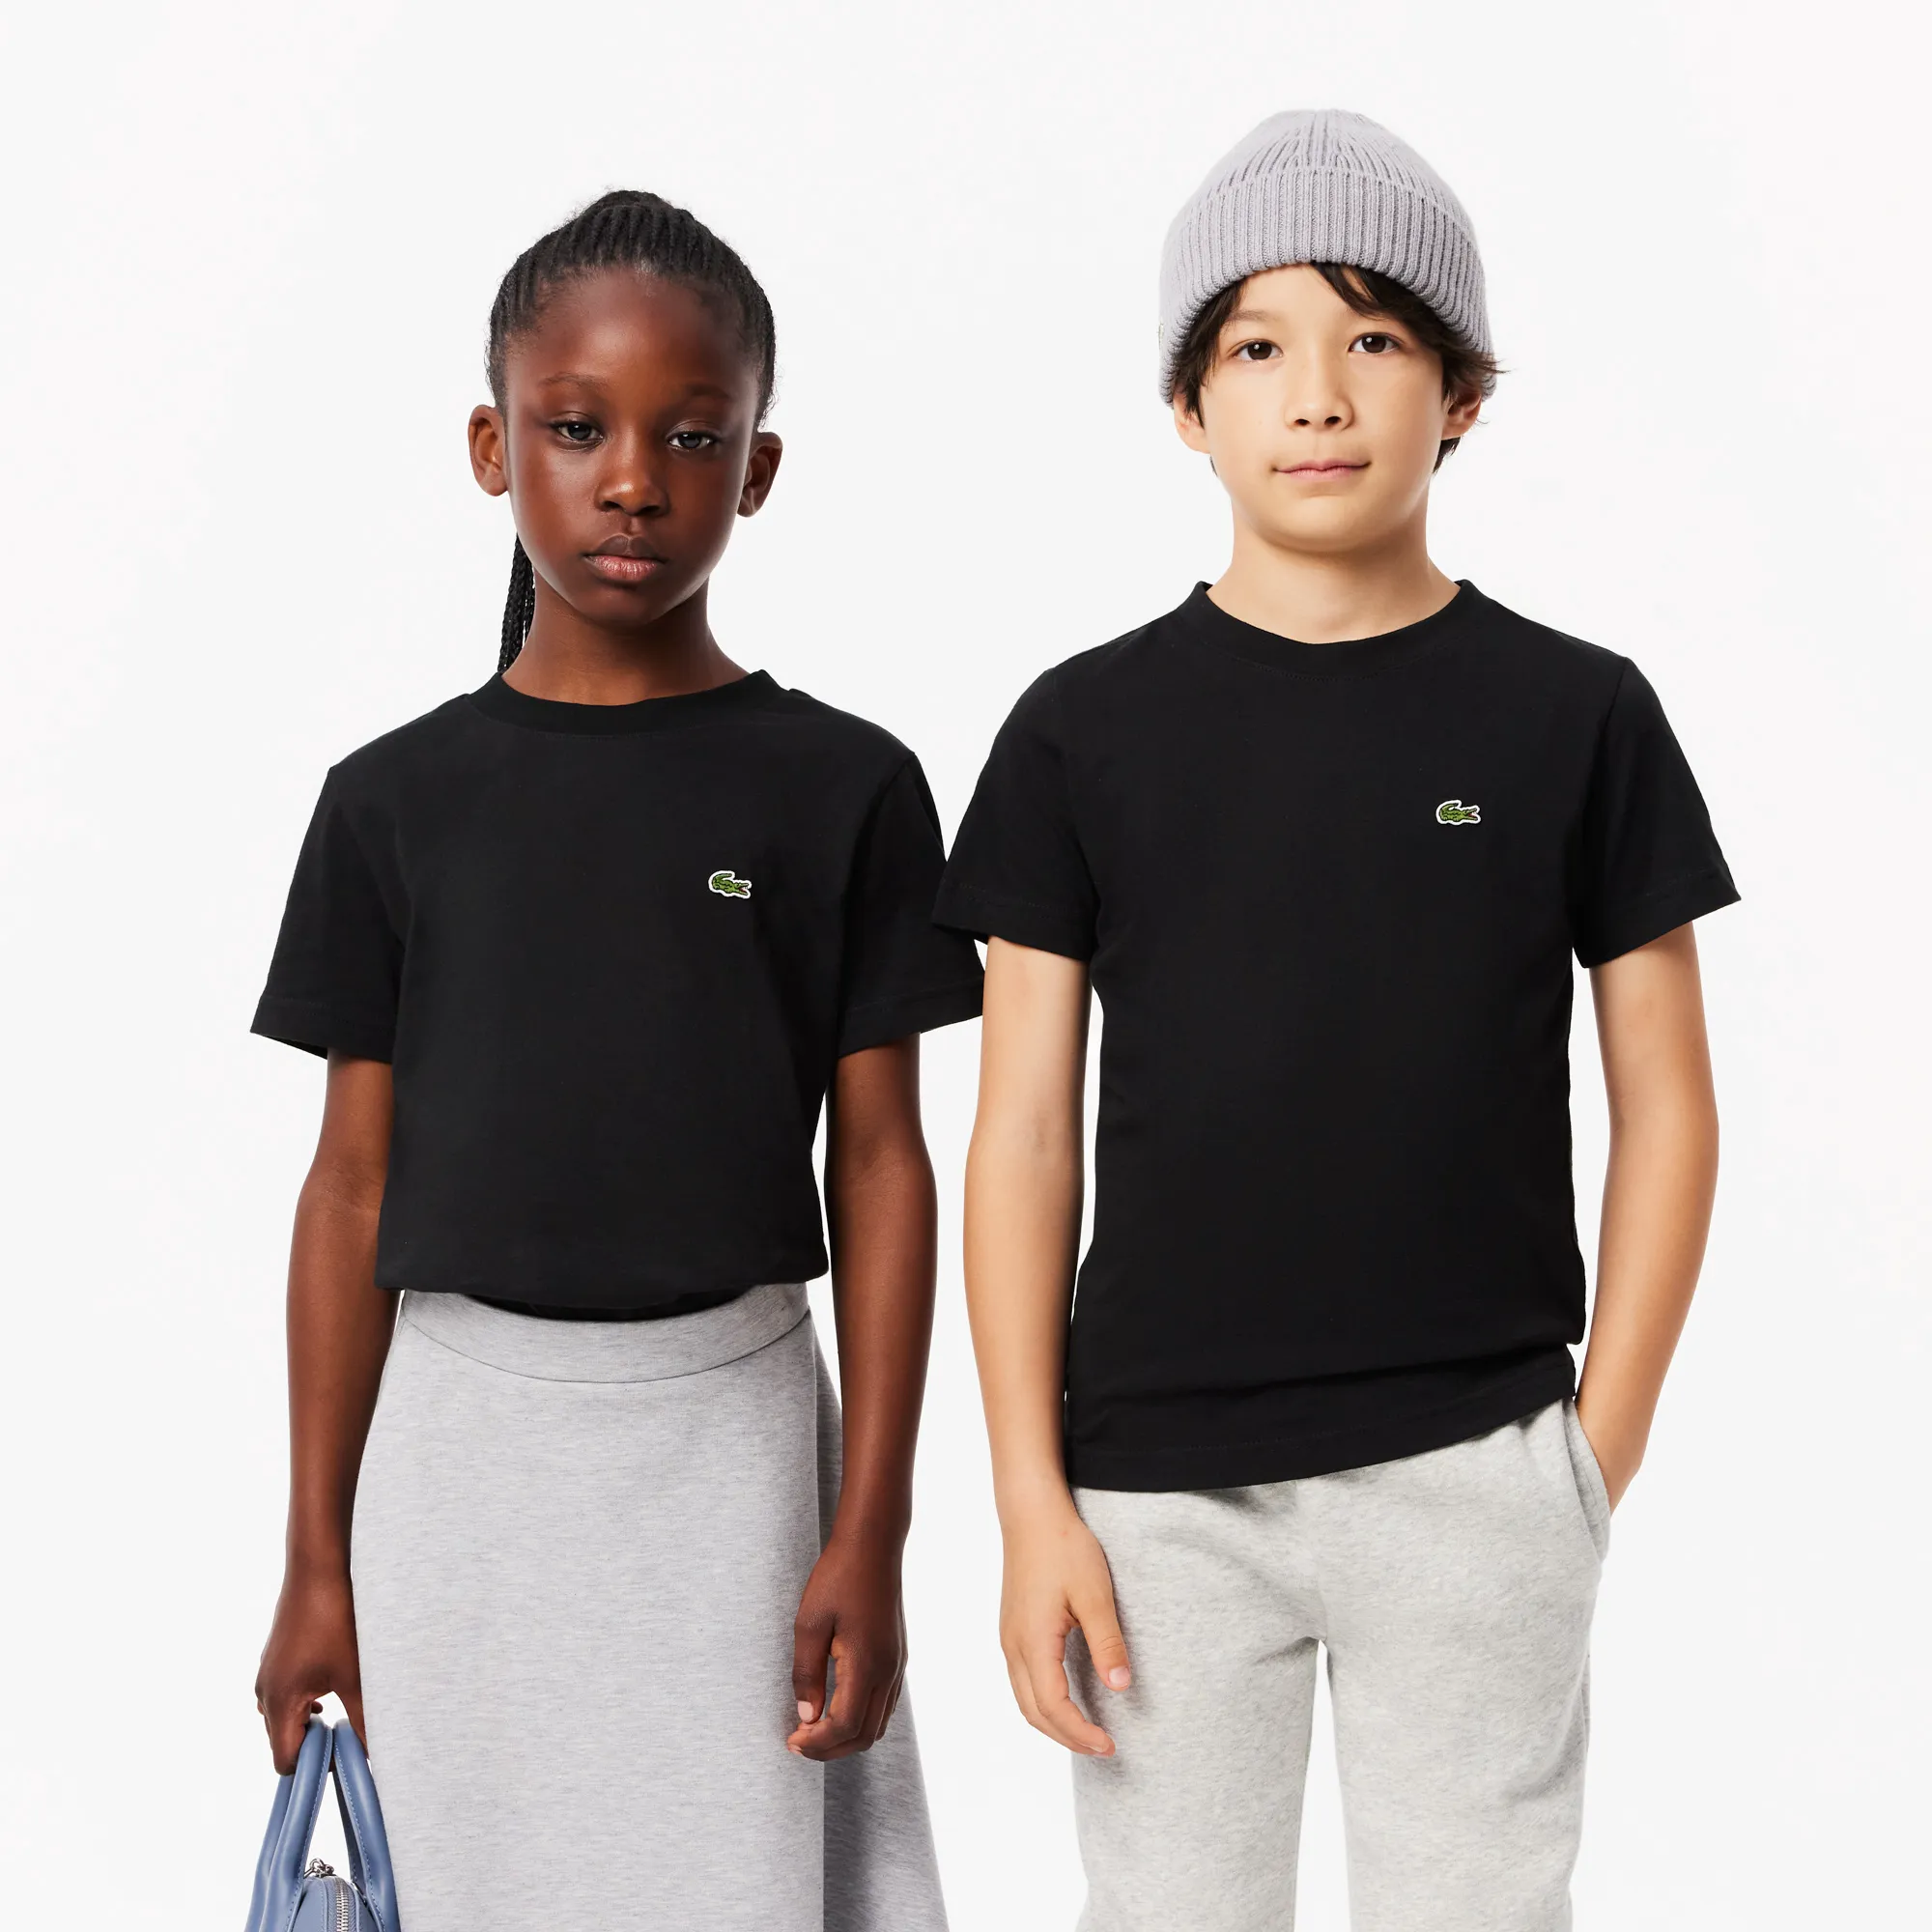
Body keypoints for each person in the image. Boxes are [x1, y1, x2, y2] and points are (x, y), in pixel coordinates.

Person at [936, 110, 1738, 1930]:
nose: (1316, 394)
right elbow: (1022, 1135)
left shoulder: (1577, 716)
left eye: (1373, 336)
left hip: (1478, 1475)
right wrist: (1030, 1500)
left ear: (1462, 394)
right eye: (1256, 346)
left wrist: (1589, 1456)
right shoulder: (1077, 733)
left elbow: (1671, 1105)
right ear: (1187, 404)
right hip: (1156, 1499)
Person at [250, 189, 980, 1932]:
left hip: (737, 1447)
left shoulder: (845, 789)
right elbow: (352, 1184)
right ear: (494, 447)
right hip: (461, 1464)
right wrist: (314, 1556)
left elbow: (882, 1165)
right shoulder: (395, 803)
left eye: (691, 436)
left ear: (760, 467)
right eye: (578, 429)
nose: (634, 480)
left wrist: (871, 1528)